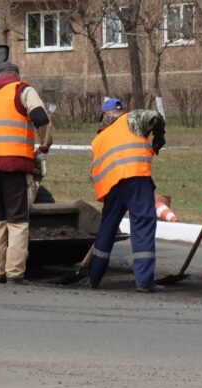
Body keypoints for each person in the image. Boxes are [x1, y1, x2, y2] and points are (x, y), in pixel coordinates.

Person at [0, 61, 53, 284]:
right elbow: (41, 118)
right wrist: (44, 145)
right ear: (15, 75)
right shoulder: (22, 89)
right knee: (17, 219)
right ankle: (15, 274)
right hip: (12, 164)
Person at [87, 98, 166, 293]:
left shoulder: (98, 139)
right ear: (119, 112)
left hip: (111, 188)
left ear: (104, 116)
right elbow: (156, 116)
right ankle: (145, 281)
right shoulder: (131, 119)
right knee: (143, 224)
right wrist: (158, 138)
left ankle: (94, 277)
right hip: (136, 179)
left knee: (107, 230)